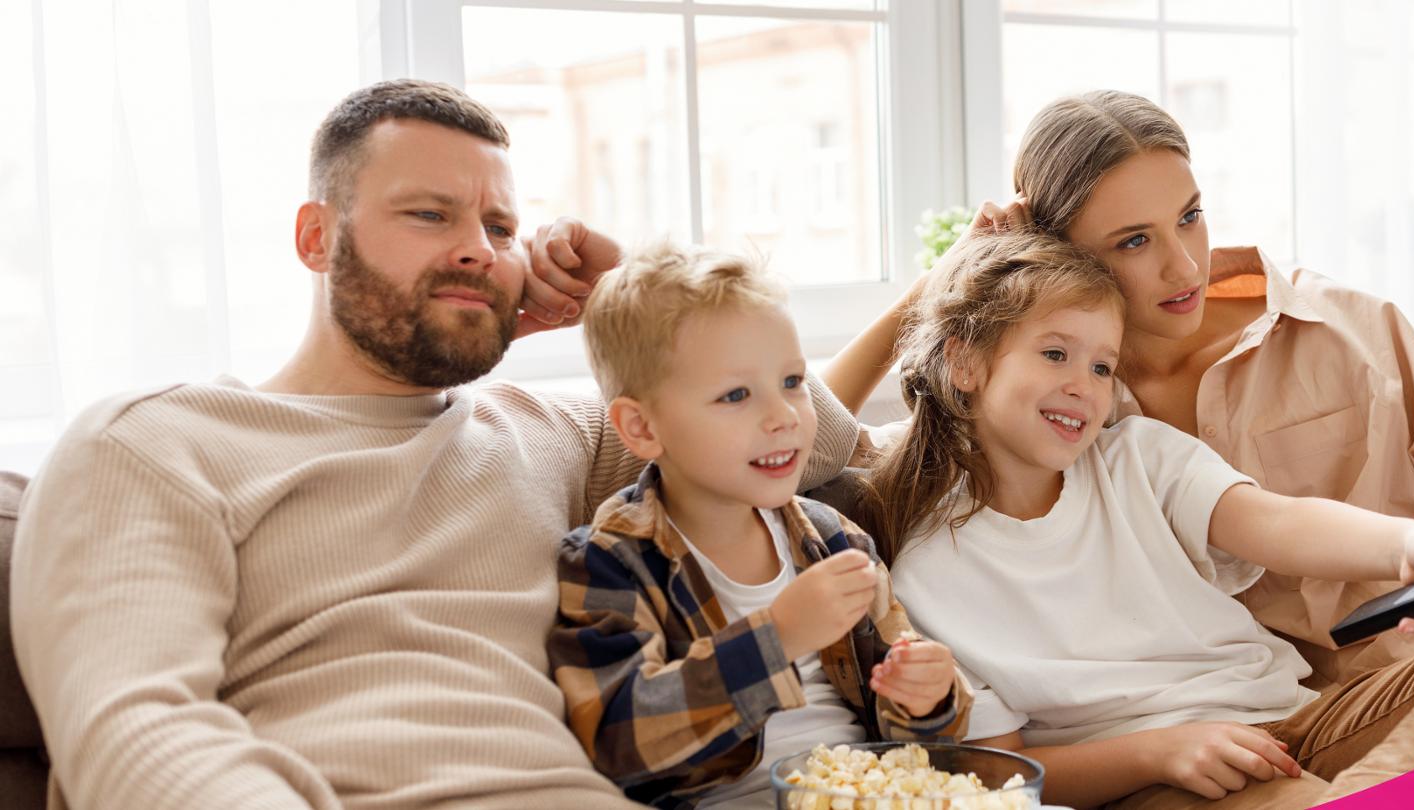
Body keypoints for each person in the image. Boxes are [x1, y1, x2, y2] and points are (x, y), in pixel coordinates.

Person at [8, 79, 858, 810]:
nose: (476, 250)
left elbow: (817, 452)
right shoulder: (157, 442)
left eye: (498, 228)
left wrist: (636, 301)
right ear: (315, 237)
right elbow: (137, 736)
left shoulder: (541, 432)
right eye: (429, 215)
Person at [827, 90, 1414, 680]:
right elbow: (824, 440)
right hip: (1337, 701)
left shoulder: (1345, 323)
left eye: (1190, 215)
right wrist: (943, 277)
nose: (1183, 266)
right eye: (1135, 240)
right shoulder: (1053, 414)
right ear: (1060, 252)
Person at [871, 229, 1414, 809]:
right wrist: (1160, 752)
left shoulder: (1137, 457)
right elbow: (1002, 769)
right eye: (1056, 353)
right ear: (964, 363)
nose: (1081, 387)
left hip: (1296, 715)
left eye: (1101, 367)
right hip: (1162, 777)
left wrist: (1405, 544)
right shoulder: (930, 573)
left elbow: (1275, 523)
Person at [548, 242, 970, 809]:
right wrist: (777, 638)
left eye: (793, 382)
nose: (783, 416)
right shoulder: (610, 560)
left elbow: (922, 741)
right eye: (737, 395)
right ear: (643, 427)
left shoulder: (835, 540)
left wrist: (931, 696)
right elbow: (621, 743)